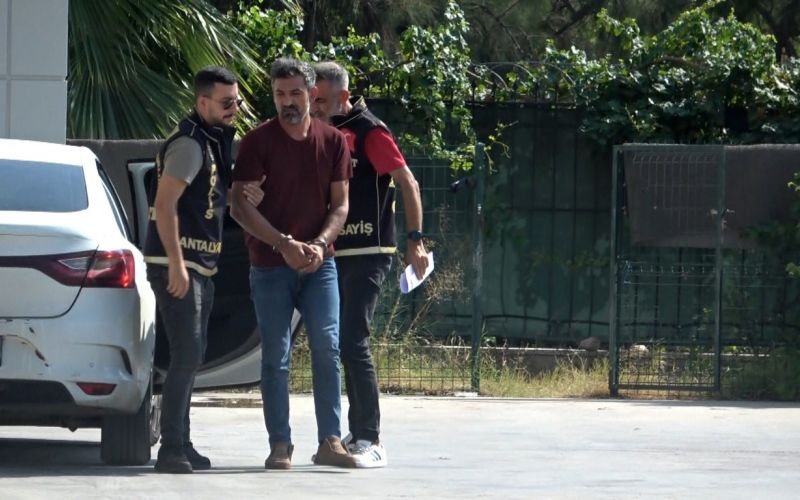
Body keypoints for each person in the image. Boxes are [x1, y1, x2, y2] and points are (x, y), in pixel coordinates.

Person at [230, 57, 356, 470]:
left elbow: (340, 206)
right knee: (276, 354)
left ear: (312, 94)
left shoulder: (333, 141)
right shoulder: (257, 142)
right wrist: (282, 244)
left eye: (296, 93)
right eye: (279, 94)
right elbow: (239, 207)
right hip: (269, 264)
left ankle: (330, 440)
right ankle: (280, 444)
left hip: (321, 264)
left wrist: (319, 244)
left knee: (327, 346)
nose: (288, 101)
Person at [143, 65, 263, 473]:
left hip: (202, 265)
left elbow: (206, 197)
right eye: (226, 102)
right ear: (202, 103)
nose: (234, 108)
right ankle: (171, 448)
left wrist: (242, 194)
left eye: (237, 101)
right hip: (180, 265)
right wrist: (176, 264)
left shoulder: (210, 142)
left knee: (191, 357)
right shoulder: (190, 145)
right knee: (187, 354)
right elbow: (165, 205)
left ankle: (183, 442)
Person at [311, 61, 430, 468]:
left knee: (353, 338)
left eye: (321, 100)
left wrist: (415, 240)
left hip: (369, 251)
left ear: (343, 97)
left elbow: (408, 182)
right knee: (338, 342)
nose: (314, 107)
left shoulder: (369, 131)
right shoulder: (320, 132)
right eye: (312, 100)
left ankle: (371, 438)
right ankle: (355, 429)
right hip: (333, 252)